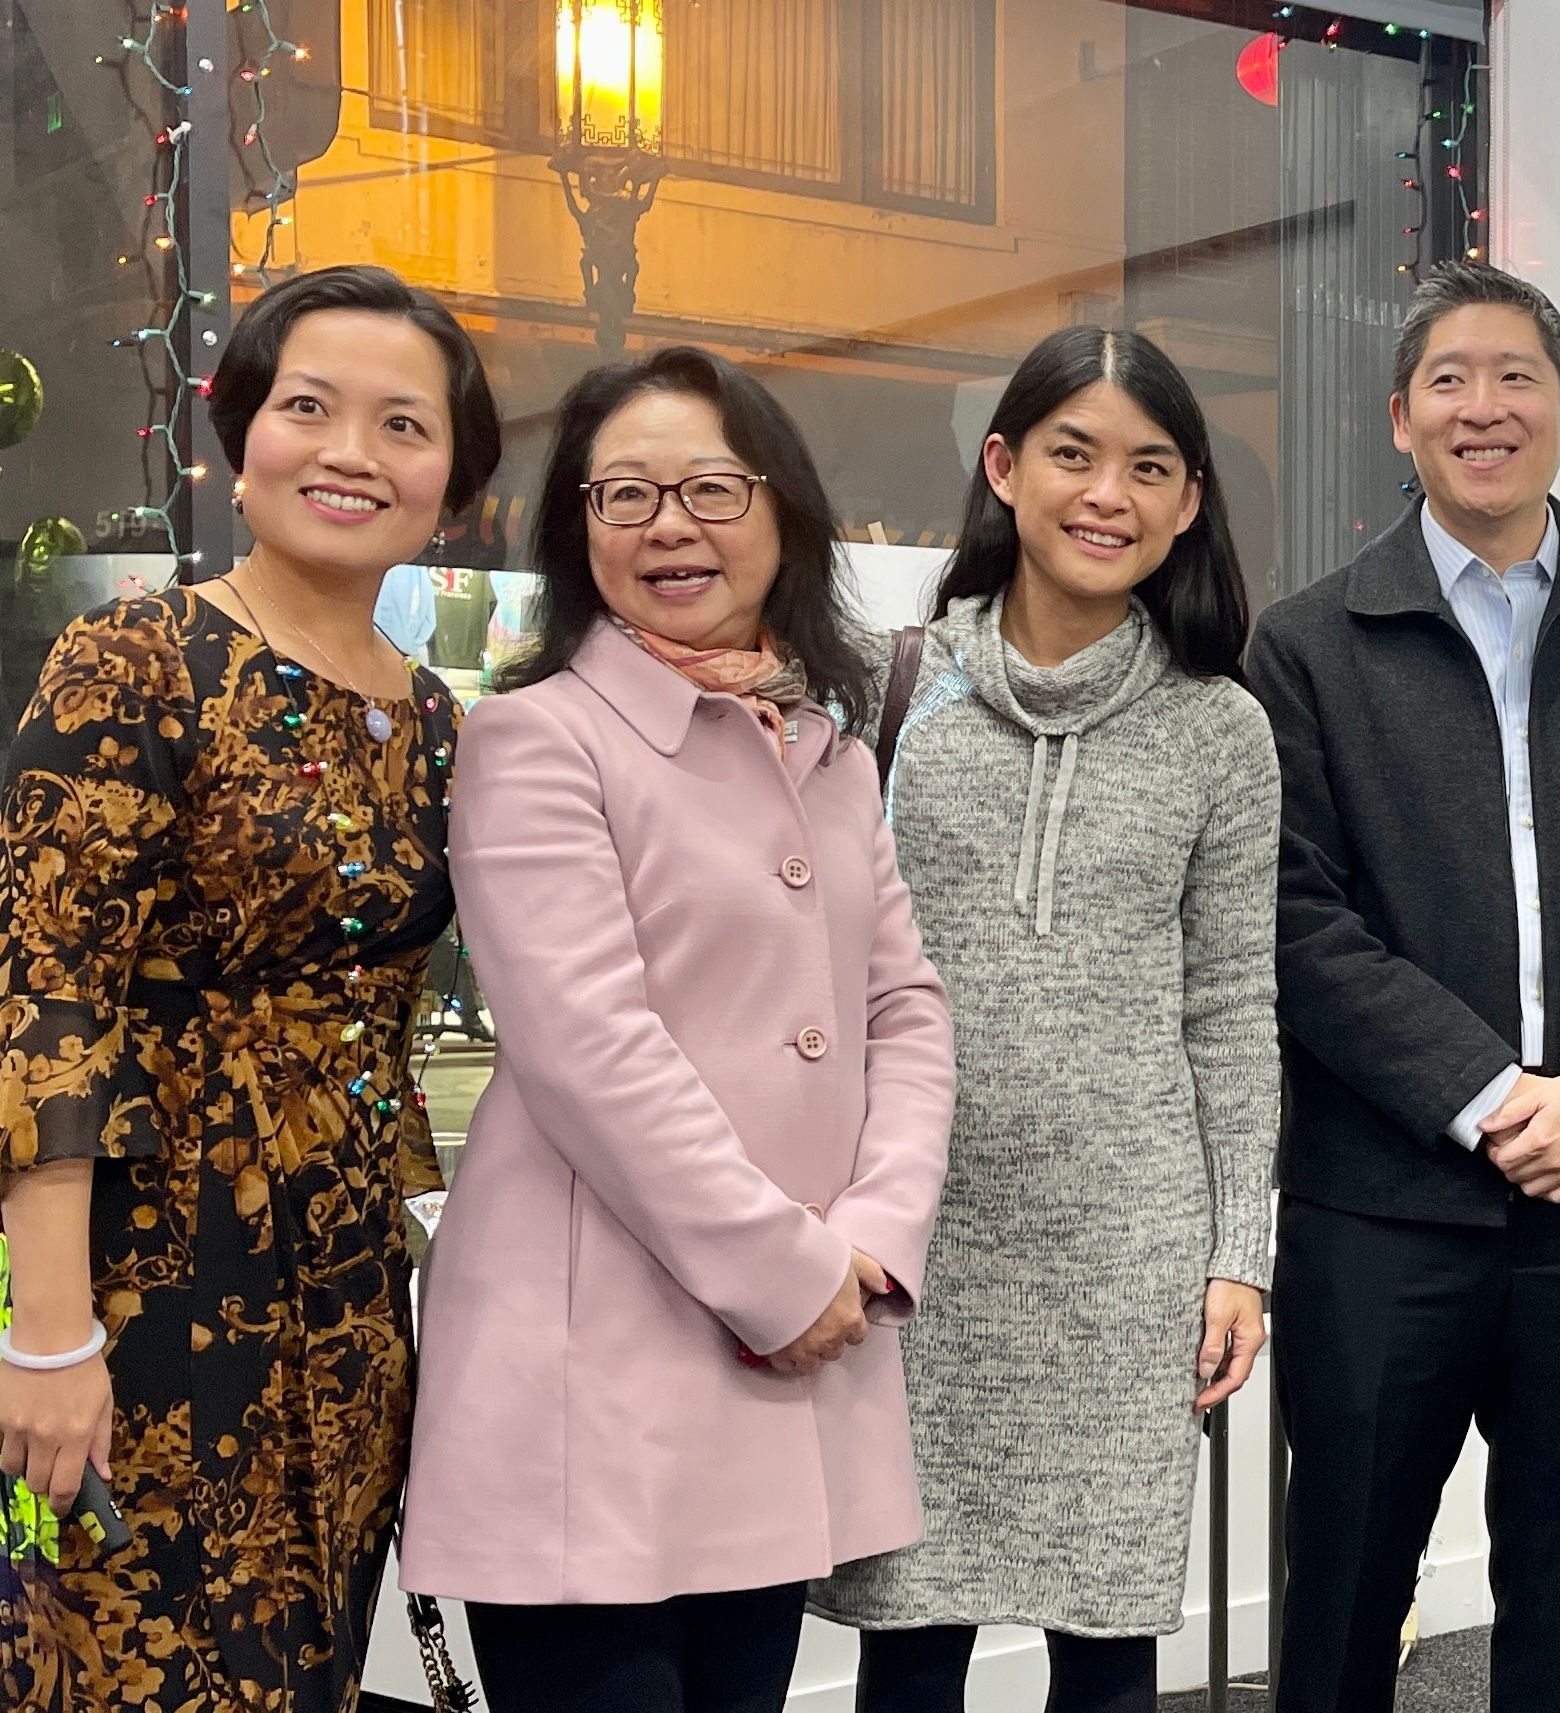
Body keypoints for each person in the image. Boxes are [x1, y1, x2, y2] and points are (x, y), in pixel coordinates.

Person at [398, 347, 955, 1713]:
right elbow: (588, 1045)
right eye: (623, 494)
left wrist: (873, 1244)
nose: (667, 525)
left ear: (784, 516)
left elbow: (906, 1008)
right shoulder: (536, 738)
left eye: (710, 486)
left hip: (781, 1360)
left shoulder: (818, 743)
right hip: (595, 1376)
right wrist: (784, 1275)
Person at [1247, 260, 1560, 1713]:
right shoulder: (1304, 643)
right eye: (1451, 381)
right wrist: (1480, 1094)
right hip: (1380, 1210)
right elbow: (1295, 914)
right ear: (1400, 416)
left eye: (1517, 376)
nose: (1487, 406)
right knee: (1346, 1583)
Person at [0, 264, 500, 1711]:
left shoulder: (438, 719)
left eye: (403, 424)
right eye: (309, 407)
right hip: (143, 1293)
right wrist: (50, 1331)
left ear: (453, 476)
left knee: (311, 1669)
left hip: (346, 1303)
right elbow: (44, 998)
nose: (351, 451)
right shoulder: (137, 657)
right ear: (241, 433)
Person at [810, 326, 1278, 1713]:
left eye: (1147, 466)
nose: (1106, 495)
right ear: (1003, 467)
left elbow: (1232, 1003)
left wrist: (1234, 1250)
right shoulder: (888, 692)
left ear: (1188, 500)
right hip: (914, 1223)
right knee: (909, 1635)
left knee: (1108, 1632)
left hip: (1125, 1241)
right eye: (1071, 454)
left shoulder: (1220, 728)